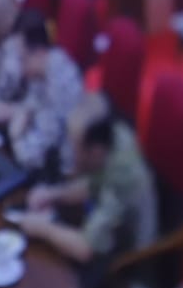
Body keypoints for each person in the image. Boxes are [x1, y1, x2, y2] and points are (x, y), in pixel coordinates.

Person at [20, 93, 157, 264]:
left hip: (127, 260)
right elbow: (93, 183)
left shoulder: (122, 177)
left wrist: (42, 228)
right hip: (106, 222)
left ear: (95, 152)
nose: (71, 156)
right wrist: (53, 194)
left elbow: (86, 249)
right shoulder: (111, 137)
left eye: (75, 148)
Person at [4, 10, 84, 174]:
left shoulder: (59, 87)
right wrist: (19, 112)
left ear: (40, 53)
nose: (19, 69)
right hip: (46, 158)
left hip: (62, 172)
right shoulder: (45, 68)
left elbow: (33, 157)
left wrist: (15, 135)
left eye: (21, 59)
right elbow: (30, 107)